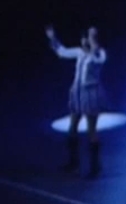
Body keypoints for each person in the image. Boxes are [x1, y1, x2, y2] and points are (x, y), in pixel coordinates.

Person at [45, 24, 107, 178]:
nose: (84, 40)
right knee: (72, 127)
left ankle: (95, 166)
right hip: (77, 93)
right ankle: (74, 163)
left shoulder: (100, 53)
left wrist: (93, 41)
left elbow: (96, 59)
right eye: (84, 37)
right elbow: (62, 52)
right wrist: (53, 38)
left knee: (91, 129)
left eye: (89, 37)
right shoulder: (80, 53)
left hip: (90, 93)